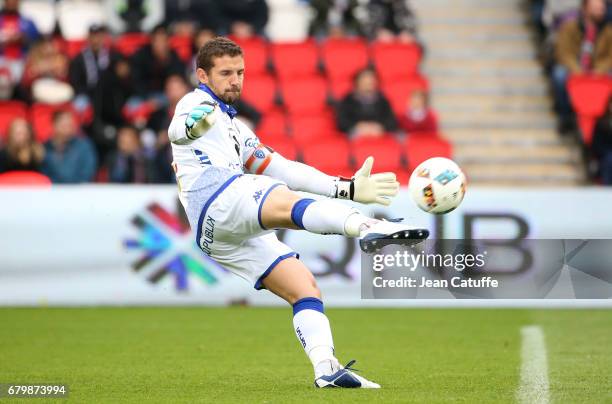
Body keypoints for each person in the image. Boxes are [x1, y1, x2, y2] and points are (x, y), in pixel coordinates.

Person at [168, 37, 428, 388]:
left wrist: (345, 187)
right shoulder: (195, 103)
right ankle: (366, 226)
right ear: (203, 75)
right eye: (226, 73)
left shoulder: (236, 128)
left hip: (215, 236)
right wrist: (187, 128)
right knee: (285, 201)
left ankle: (326, 368)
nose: (235, 80)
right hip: (218, 197)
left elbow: (283, 168)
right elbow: (177, 131)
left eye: (240, 72)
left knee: (304, 289)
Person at [553, 0, 612, 132]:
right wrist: (577, 70)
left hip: (598, 72)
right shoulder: (569, 27)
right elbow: (563, 52)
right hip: (576, 70)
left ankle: (603, 116)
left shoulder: (608, 31)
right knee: (559, 75)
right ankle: (566, 116)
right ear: (585, 9)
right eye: (596, 8)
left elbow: (610, 57)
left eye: (602, 8)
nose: (600, 11)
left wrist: (598, 70)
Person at [336, 67, 398, 138]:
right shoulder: (347, 100)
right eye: (365, 80)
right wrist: (358, 126)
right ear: (357, 82)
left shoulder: (383, 100)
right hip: (355, 135)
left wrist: (379, 127)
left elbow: (392, 121)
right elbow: (342, 122)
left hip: (380, 134)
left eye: (371, 80)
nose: (369, 82)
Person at [42, 110, 98, 183]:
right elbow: (43, 173)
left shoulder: (84, 146)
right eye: (64, 125)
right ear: (54, 125)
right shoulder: (44, 148)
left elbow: (87, 172)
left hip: (78, 190)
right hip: (52, 191)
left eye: (70, 125)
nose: (68, 128)